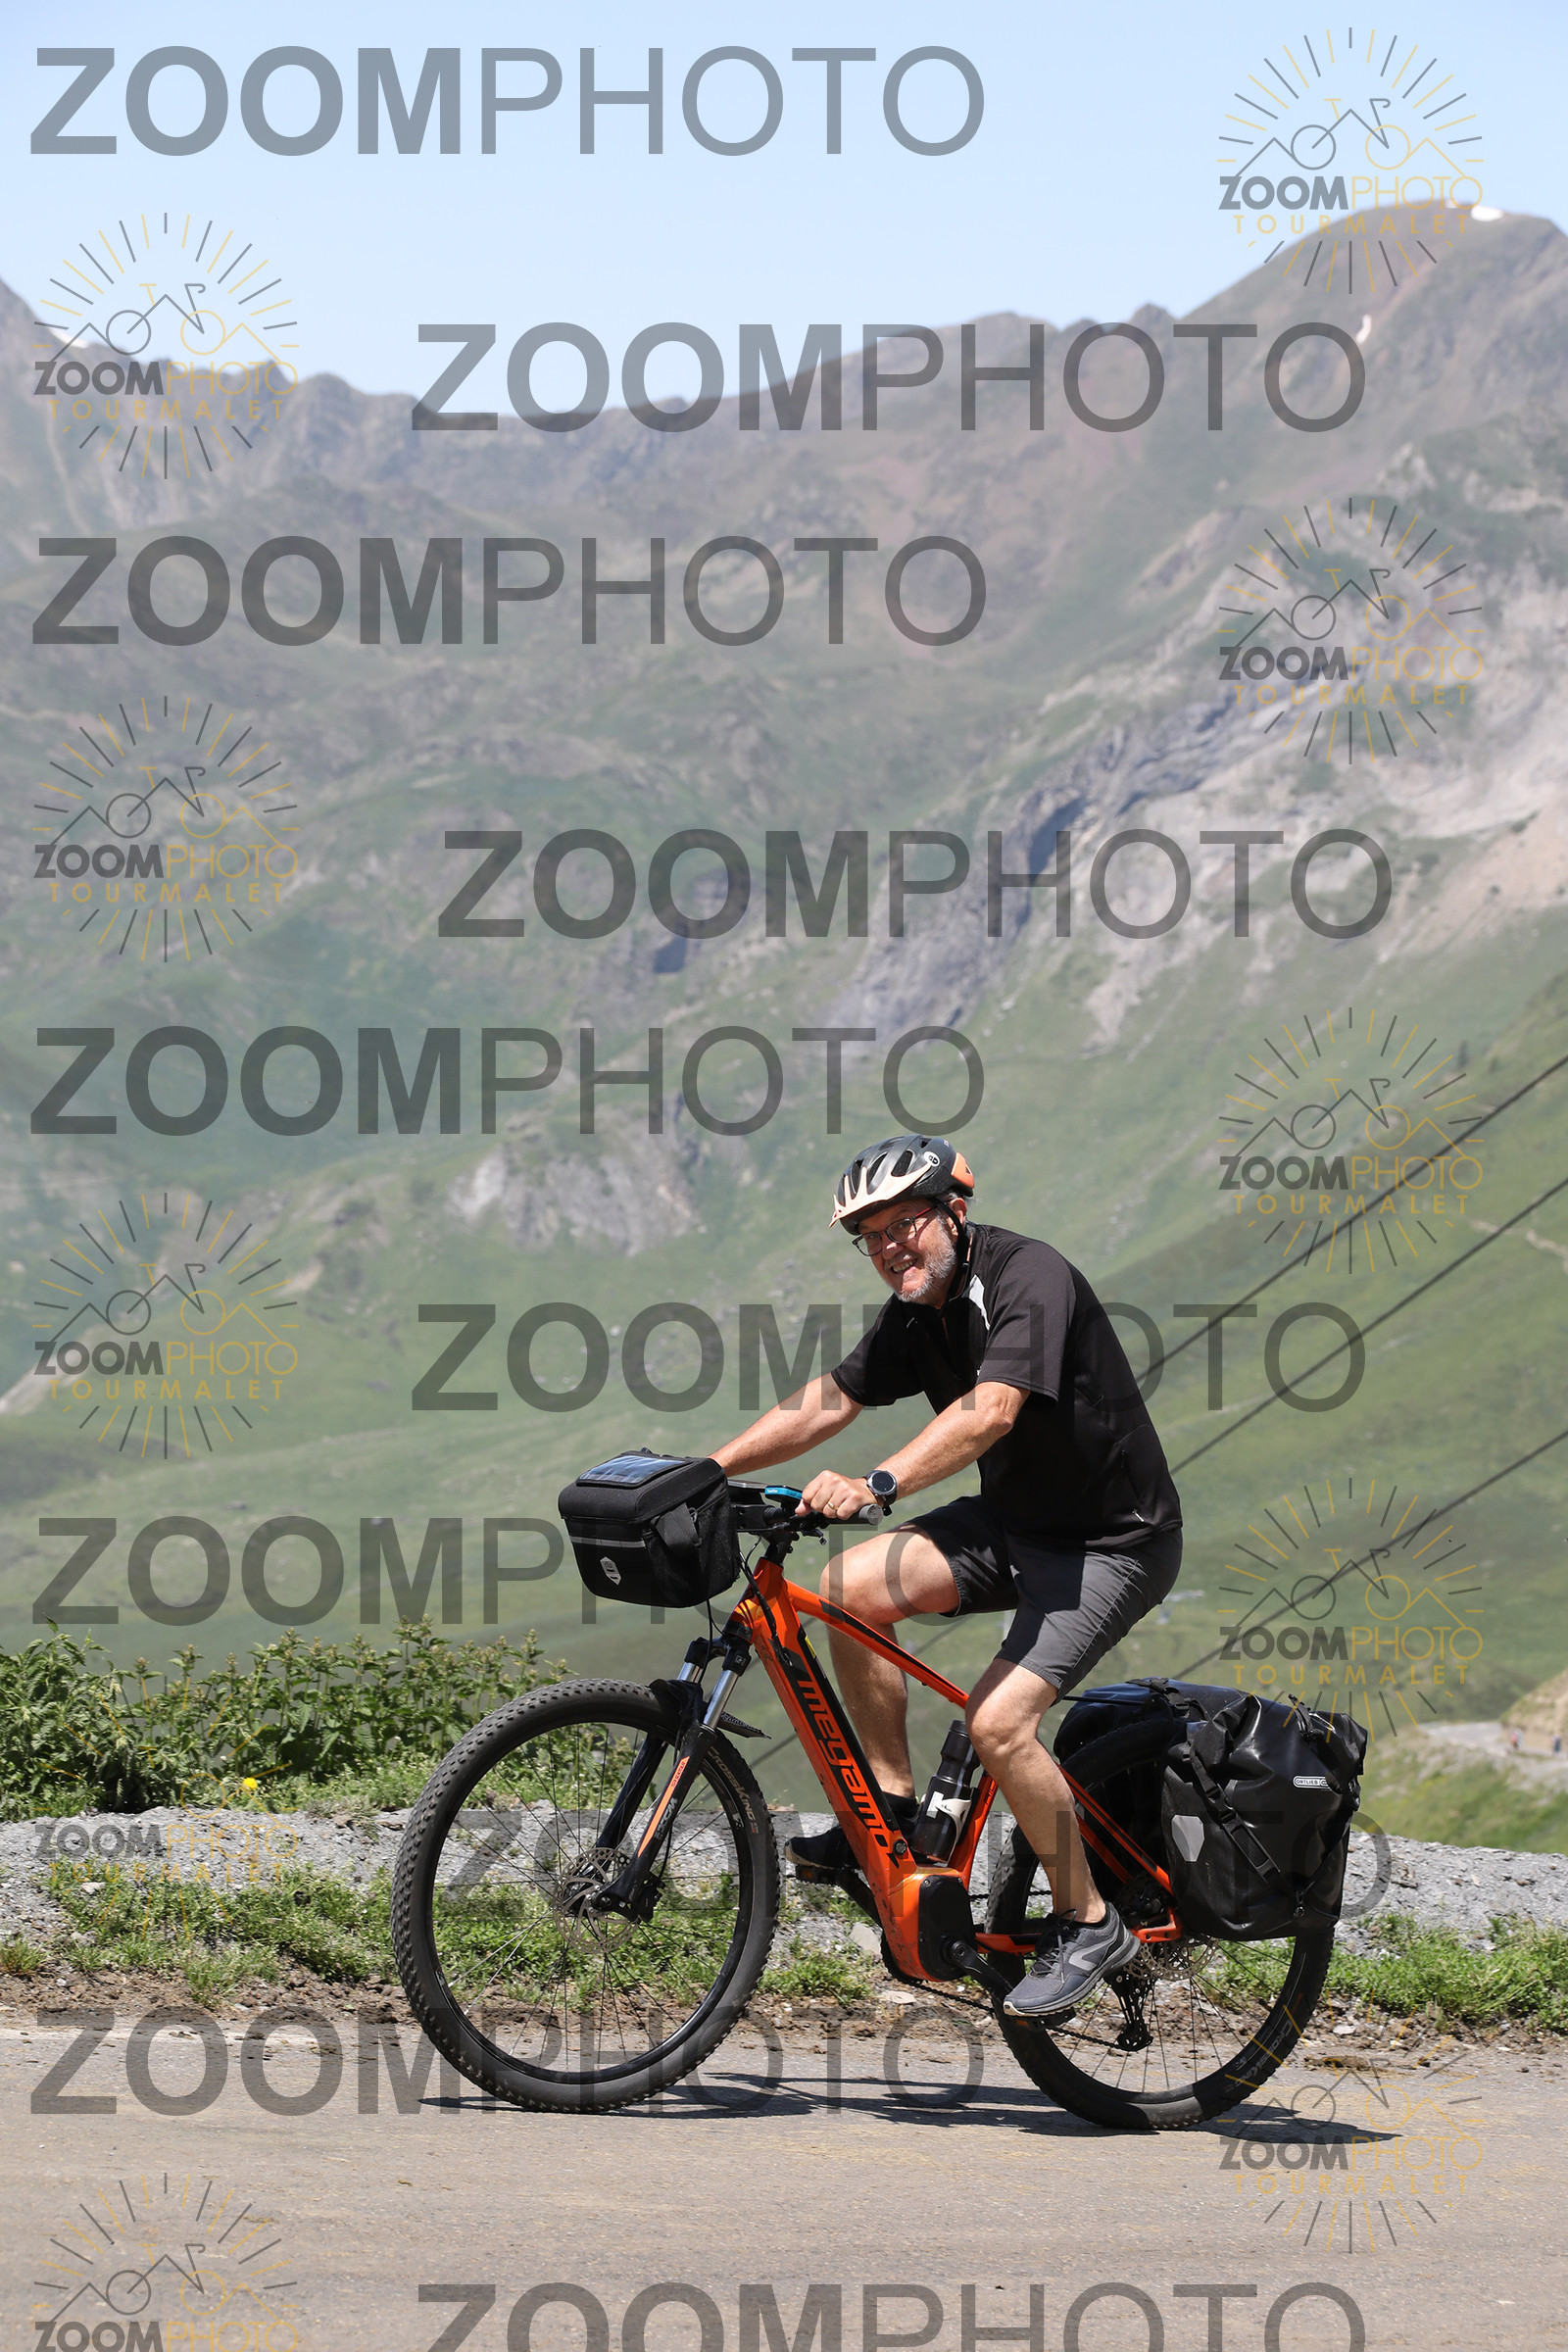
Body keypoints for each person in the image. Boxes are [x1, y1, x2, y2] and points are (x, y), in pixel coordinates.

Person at [712, 1133, 1183, 2018]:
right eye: (872, 1238)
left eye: (904, 1226)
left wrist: (879, 1483)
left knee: (998, 1724)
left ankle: (1089, 1921)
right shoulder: (918, 1308)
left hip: (1110, 1544)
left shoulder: (1028, 1275)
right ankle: (891, 1811)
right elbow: (834, 1397)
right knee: (847, 1591)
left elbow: (993, 1410)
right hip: (1015, 1524)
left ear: (954, 1214)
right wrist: (707, 1469)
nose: (890, 1248)